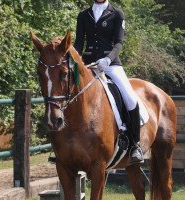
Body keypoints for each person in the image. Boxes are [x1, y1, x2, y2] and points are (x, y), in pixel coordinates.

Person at [74, 0, 143, 164]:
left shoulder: (117, 14)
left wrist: (108, 58)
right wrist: (74, 60)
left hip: (110, 63)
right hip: (87, 64)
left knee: (131, 99)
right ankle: (64, 145)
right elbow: (78, 42)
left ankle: (135, 145)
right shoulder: (83, 15)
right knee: (67, 93)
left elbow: (119, 43)